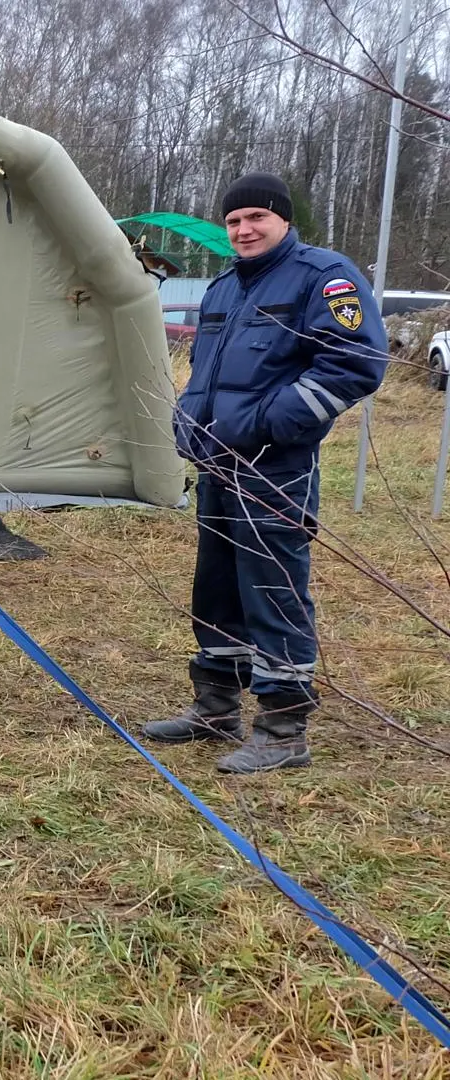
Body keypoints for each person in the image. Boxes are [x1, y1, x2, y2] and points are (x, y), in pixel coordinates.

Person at [145, 172, 388, 774]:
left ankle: (283, 729)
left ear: (282, 219)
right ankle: (216, 707)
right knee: (218, 586)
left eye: (256, 217)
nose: (244, 229)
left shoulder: (322, 277)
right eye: (233, 220)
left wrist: (266, 425)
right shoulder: (224, 288)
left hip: (275, 468)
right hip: (217, 466)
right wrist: (190, 423)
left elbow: (354, 363)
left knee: (273, 589)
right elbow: (208, 373)